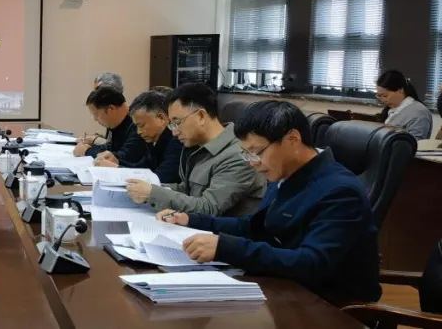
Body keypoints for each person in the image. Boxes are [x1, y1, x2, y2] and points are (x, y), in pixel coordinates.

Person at [161, 100, 382, 305]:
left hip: (326, 307)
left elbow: (311, 263)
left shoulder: (340, 192)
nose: (252, 163)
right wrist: (192, 220)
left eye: (256, 153)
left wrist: (226, 248)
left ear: (292, 140)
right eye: (246, 155)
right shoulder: (286, 175)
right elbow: (255, 226)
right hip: (284, 289)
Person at [124, 83, 265, 216]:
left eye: (177, 122)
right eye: (171, 125)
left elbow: (208, 208)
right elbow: (187, 190)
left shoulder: (238, 155)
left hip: (218, 232)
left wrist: (152, 193)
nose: (174, 132)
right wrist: (148, 186)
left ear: (201, 116)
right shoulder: (199, 148)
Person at [96, 89, 183, 183]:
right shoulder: (153, 140)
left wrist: (117, 168)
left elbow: (160, 179)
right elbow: (142, 168)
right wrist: (117, 162)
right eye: (136, 126)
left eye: (141, 125)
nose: (138, 132)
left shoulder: (177, 141)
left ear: (161, 118)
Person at [73, 87, 147, 166]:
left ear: (111, 109)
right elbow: (110, 147)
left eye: (96, 115)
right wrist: (88, 148)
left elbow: (126, 157)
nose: (95, 119)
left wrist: (87, 151)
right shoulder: (116, 122)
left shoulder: (138, 122)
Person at [376, 69, 433, 140]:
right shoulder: (392, 108)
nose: (382, 99)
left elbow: (415, 142)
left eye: (385, 96)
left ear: (400, 90)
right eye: (379, 96)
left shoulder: (419, 112)